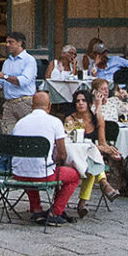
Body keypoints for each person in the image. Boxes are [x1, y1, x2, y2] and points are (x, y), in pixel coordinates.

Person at [10, 91, 78, 226]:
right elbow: (62, 155)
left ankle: (36, 209)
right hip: (42, 174)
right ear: (49, 106)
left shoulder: (20, 123)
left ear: (32, 106)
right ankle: (55, 212)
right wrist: (56, 161)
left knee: (30, 165)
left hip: (18, 173)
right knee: (74, 176)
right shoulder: (55, 122)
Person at [0, 31, 40, 129]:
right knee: (8, 132)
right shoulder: (7, 62)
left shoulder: (29, 60)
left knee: (27, 131)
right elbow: (2, 85)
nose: (8, 45)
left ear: (20, 43)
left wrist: (5, 76)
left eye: (11, 42)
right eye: (7, 42)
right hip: (9, 103)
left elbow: (23, 81)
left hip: (24, 103)